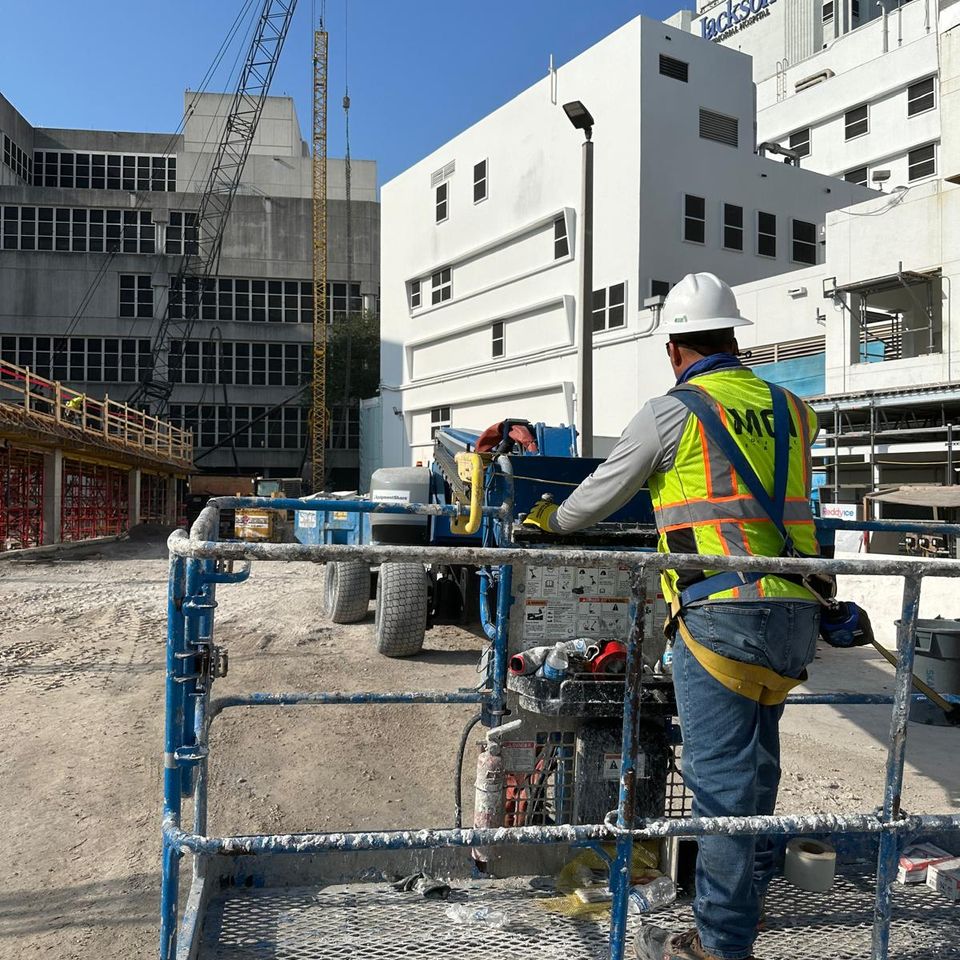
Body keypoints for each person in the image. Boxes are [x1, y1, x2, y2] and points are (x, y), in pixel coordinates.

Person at [523, 272, 822, 960]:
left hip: (722, 616)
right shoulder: (795, 409)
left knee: (721, 792)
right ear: (733, 337)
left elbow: (588, 503)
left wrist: (552, 519)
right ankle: (743, 907)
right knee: (757, 771)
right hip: (798, 613)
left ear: (674, 348)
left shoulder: (671, 412)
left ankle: (720, 943)